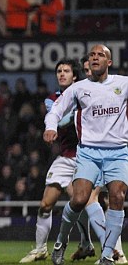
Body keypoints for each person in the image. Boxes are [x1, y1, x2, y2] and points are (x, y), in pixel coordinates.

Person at [46, 45, 128, 265]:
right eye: (92, 55)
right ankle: (60, 242)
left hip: (118, 152)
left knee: (117, 198)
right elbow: (56, 109)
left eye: (100, 55)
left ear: (109, 62)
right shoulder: (79, 88)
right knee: (80, 199)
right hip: (89, 152)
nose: (95, 57)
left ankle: (107, 256)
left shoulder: (123, 83)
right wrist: (51, 126)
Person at [19, 59, 105, 263]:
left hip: (86, 157)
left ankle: (91, 245)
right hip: (65, 158)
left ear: (75, 76)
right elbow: (61, 119)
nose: (62, 74)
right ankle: (40, 249)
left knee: (82, 202)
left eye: (66, 71)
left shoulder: (87, 93)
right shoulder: (52, 100)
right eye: (59, 71)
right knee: (45, 204)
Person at [81, 57, 128, 264]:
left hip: (111, 150)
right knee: (90, 199)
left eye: (90, 69)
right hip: (88, 152)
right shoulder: (80, 92)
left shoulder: (113, 91)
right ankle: (103, 248)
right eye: (85, 70)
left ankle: (111, 250)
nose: (88, 73)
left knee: (104, 199)